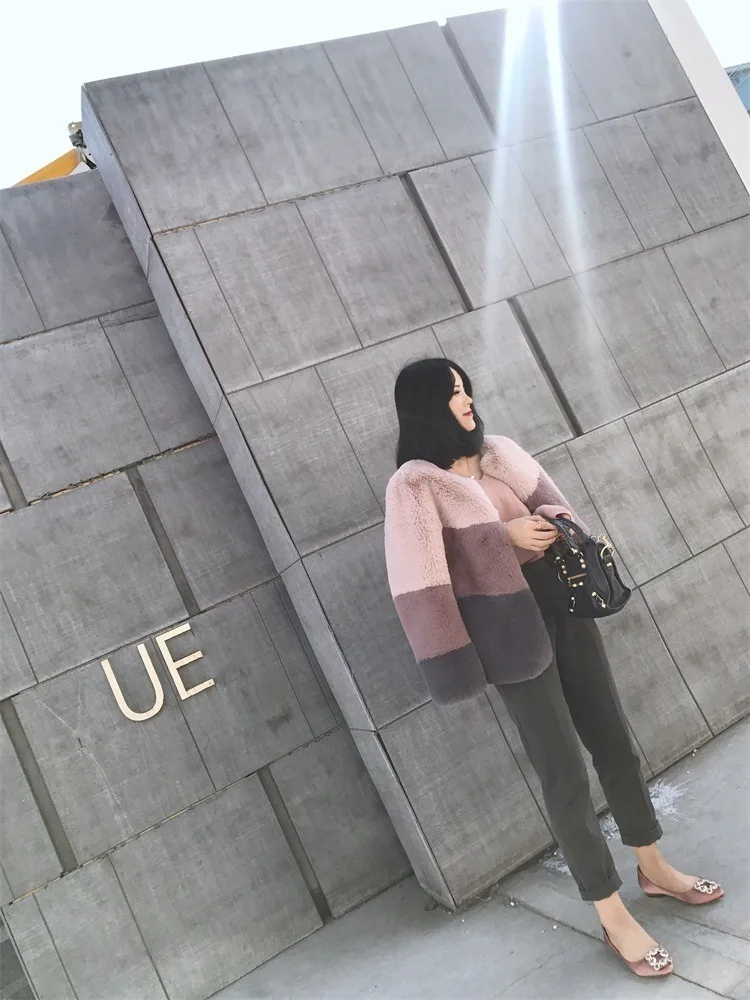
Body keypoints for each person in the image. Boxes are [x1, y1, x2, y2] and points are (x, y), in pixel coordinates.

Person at [383, 357, 723, 978]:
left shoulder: (498, 452)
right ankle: (611, 913)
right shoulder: (415, 485)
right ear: (426, 404)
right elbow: (420, 580)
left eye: (466, 387)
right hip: (507, 636)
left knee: (613, 740)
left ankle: (653, 867)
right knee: (563, 771)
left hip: (563, 606)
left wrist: (550, 526)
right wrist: (503, 538)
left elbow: (564, 511)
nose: (467, 399)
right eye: (453, 392)